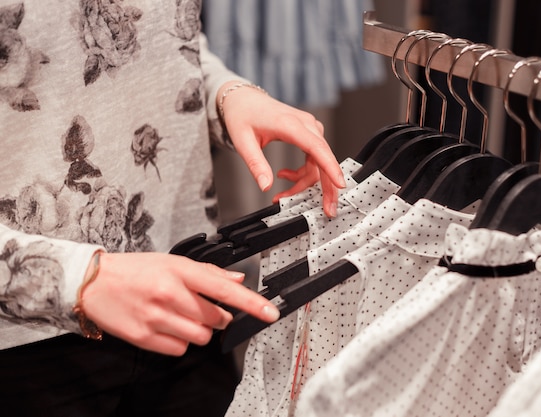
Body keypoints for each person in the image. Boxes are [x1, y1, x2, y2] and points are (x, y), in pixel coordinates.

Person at [0, 1, 345, 416]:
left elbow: (163, 34)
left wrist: (225, 93)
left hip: (185, 299)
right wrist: (80, 280)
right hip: (21, 350)